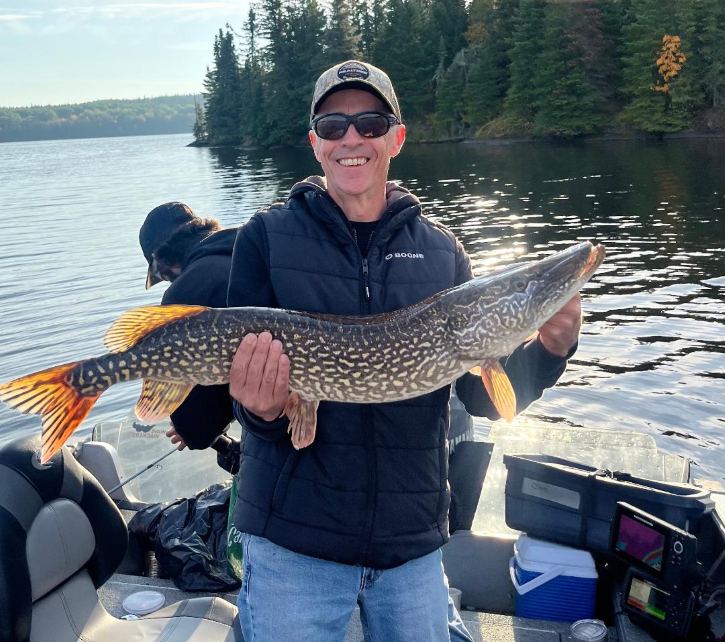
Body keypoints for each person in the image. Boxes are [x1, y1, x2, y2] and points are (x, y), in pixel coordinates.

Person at [225, 60, 582, 641]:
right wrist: (262, 411)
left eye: (370, 122)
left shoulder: (443, 254)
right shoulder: (266, 238)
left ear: (397, 136)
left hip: (410, 547)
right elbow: (249, 404)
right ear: (314, 142)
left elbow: (484, 398)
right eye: (334, 125)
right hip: (295, 543)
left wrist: (549, 350)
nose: (352, 139)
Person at [139, 201, 237, 453]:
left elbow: (197, 427)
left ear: (162, 265)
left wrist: (190, 432)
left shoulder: (183, 295)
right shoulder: (251, 246)